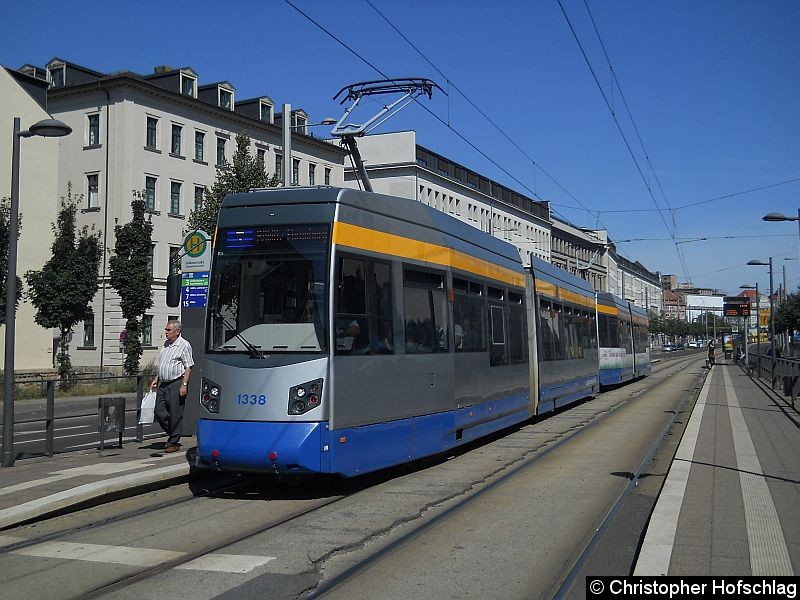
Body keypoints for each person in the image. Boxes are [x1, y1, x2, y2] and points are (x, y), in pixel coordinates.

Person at [150, 319, 194, 453]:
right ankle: (174, 431)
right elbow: (163, 363)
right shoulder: (165, 344)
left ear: (177, 331)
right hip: (164, 383)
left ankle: (173, 442)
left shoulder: (184, 345)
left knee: (176, 412)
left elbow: (188, 367)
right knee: (159, 411)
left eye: (168, 330)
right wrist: (157, 378)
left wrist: (184, 385)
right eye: (166, 329)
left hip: (176, 382)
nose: (166, 332)